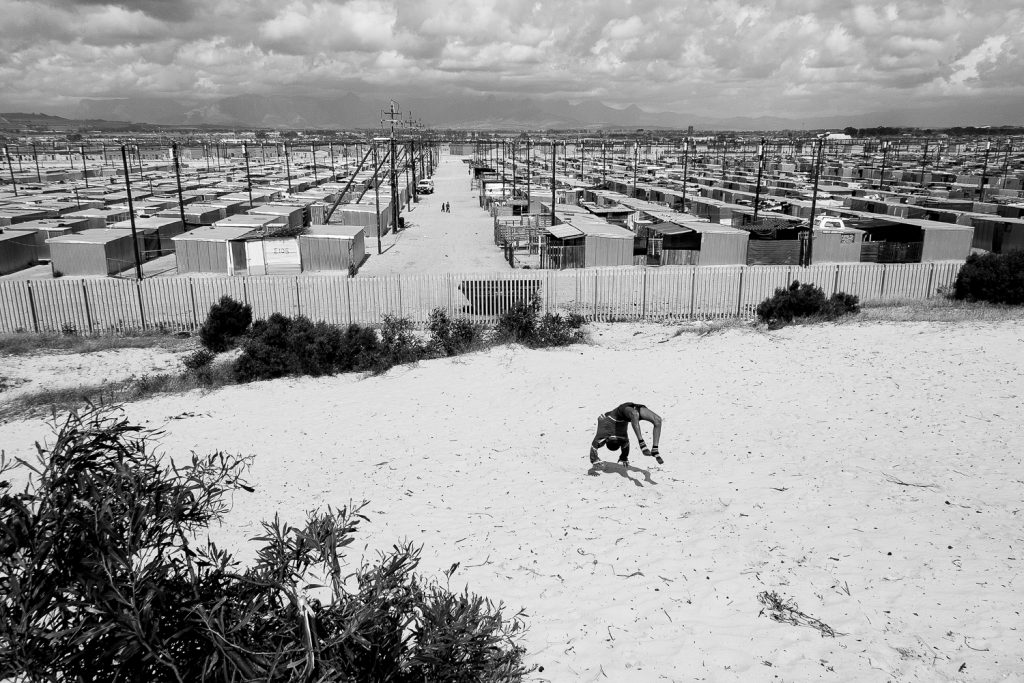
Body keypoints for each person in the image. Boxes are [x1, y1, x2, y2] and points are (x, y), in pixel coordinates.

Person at [589, 402, 663, 467]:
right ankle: (655, 449)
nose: (618, 437)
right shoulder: (623, 439)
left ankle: (641, 443)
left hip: (620, 413)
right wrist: (623, 458)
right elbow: (625, 447)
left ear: (607, 439)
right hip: (631, 412)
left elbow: (594, 446)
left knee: (635, 414)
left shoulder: (604, 433)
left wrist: (594, 460)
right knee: (658, 420)